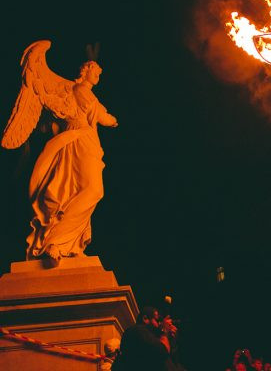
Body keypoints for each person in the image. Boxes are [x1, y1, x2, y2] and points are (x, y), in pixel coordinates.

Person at [25, 59, 118, 264]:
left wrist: (110, 119)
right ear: (86, 71)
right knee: (92, 190)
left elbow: (100, 114)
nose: (98, 76)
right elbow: (99, 114)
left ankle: (68, 243)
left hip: (88, 142)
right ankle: (55, 241)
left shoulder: (88, 93)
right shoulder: (80, 90)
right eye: (96, 72)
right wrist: (110, 119)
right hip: (78, 141)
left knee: (81, 192)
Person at [113, 306, 178, 371]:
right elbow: (163, 351)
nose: (159, 324)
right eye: (157, 320)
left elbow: (171, 359)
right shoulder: (138, 330)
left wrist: (171, 339)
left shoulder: (151, 336)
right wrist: (164, 331)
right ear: (145, 318)